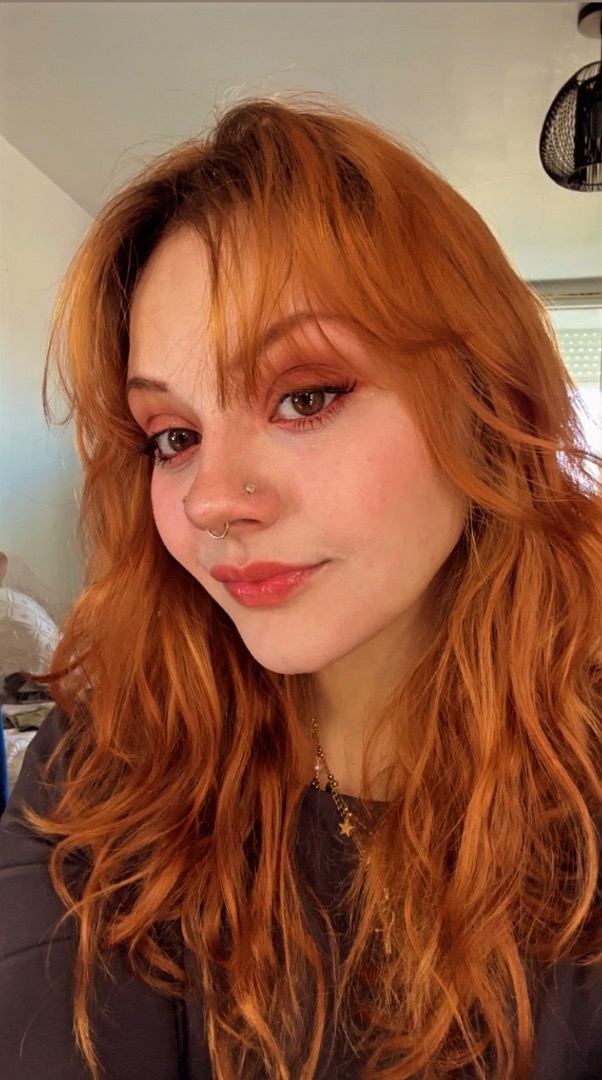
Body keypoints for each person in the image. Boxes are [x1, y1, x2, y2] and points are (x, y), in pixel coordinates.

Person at [0, 97, 601, 1080]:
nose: (211, 500)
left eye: (305, 396)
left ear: (485, 400)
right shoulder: (104, 764)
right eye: (173, 437)